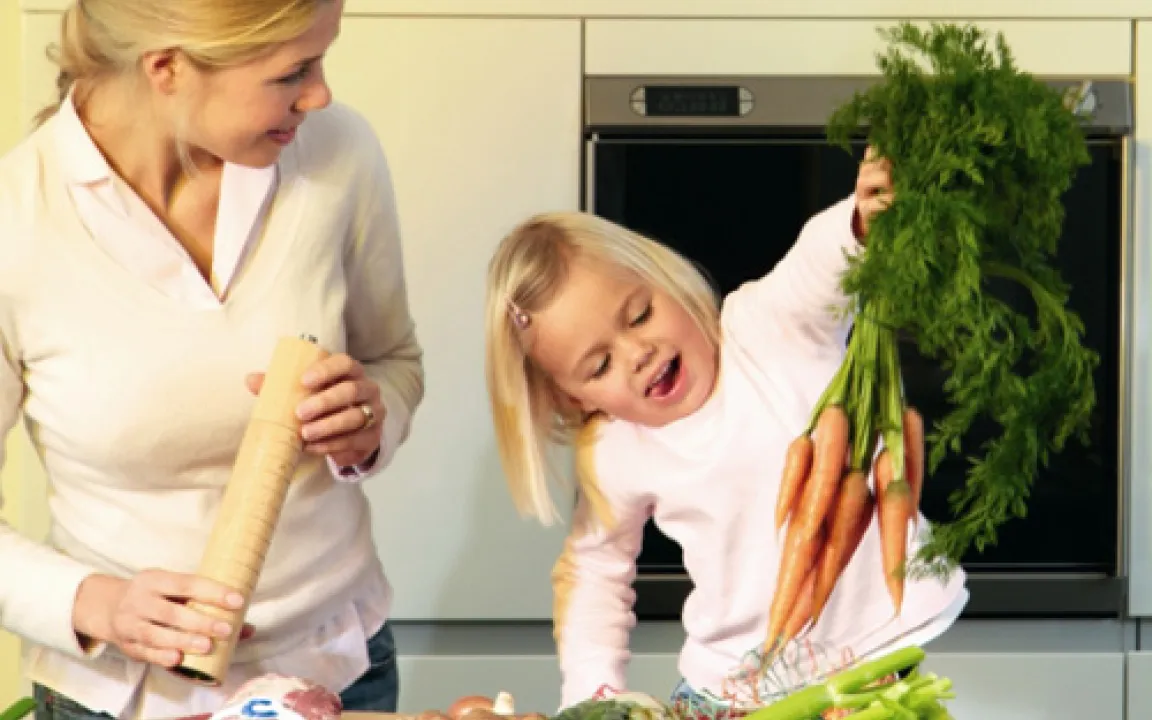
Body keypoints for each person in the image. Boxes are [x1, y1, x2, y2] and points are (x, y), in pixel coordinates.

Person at [0, 0, 424, 717]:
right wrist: (93, 604)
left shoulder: (337, 152)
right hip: (123, 696)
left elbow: (394, 358)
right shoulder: (17, 220)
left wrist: (369, 421)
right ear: (166, 68)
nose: (320, 95)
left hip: (336, 666)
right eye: (292, 71)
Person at [483, 152, 969, 713]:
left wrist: (860, 224)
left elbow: (813, 268)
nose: (638, 354)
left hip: (864, 673)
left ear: (664, 280)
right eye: (599, 366)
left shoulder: (763, 327)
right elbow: (594, 570)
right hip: (730, 695)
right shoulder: (616, 450)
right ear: (577, 398)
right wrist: (595, 696)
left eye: (639, 315)